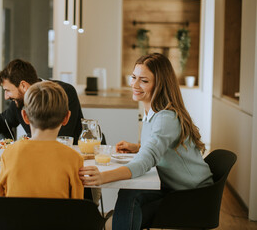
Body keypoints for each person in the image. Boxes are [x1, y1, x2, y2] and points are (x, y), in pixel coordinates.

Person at [79, 53, 214, 230]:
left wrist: (102, 177)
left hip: (193, 196)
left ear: (160, 85)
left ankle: (113, 225)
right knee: (129, 196)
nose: (134, 85)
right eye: (134, 77)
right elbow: (163, 148)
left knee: (130, 196)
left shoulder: (166, 118)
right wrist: (138, 147)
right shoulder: (153, 113)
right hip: (175, 188)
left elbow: (144, 162)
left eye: (144, 81)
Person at [0, 81, 84, 198]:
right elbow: (77, 208)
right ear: (66, 118)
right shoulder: (74, 159)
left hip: (17, 216)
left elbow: (1, 201)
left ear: (25, 116)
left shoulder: (9, 153)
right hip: (57, 216)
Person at [0, 59, 83, 144]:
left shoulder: (63, 93)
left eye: (7, 90)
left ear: (23, 86)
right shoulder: (19, 101)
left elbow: (62, 138)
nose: (6, 97)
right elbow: (1, 122)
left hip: (72, 157)